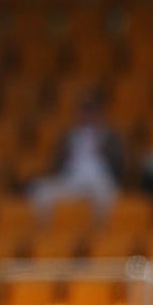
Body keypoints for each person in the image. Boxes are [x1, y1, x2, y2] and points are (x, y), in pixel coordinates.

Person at [28, 91, 125, 221]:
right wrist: (64, 156)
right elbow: (56, 163)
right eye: (85, 111)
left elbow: (120, 162)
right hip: (72, 181)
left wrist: (104, 151)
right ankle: (44, 233)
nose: (88, 115)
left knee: (106, 195)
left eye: (92, 111)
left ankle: (100, 236)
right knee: (40, 190)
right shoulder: (70, 136)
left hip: (99, 180)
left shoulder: (109, 136)